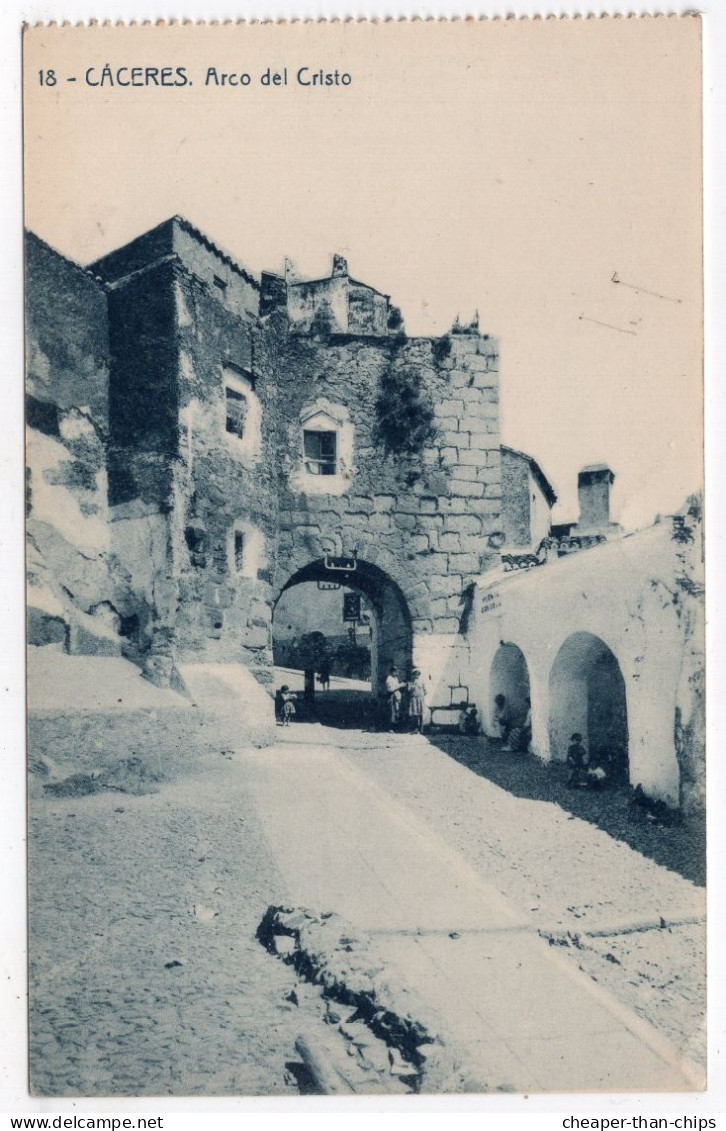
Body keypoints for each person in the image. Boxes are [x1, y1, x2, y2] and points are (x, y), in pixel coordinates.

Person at [408, 669, 427, 734]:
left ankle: (421, 729)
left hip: (420, 699)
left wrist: (421, 695)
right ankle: (416, 729)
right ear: (413, 675)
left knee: (421, 714)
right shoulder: (411, 682)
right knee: (415, 714)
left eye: (418, 674)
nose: (417, 676)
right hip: (414, 699)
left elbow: (425, 691)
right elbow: (409, 690)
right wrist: (412, 687)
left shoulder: (422, 681)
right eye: (415, 674)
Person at [385, 665, 403, 730]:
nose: (396, 673)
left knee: (397, 710)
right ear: (392, 672)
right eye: (395, 672)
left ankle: (396, 727)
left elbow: (397, 686)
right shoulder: (389, 679)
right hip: (391, 695)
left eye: (397, 672)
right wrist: (400, 686)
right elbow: (390, 689)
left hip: (396, 695)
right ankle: (390, 728)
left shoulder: (396, 678)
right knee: (391, 711)